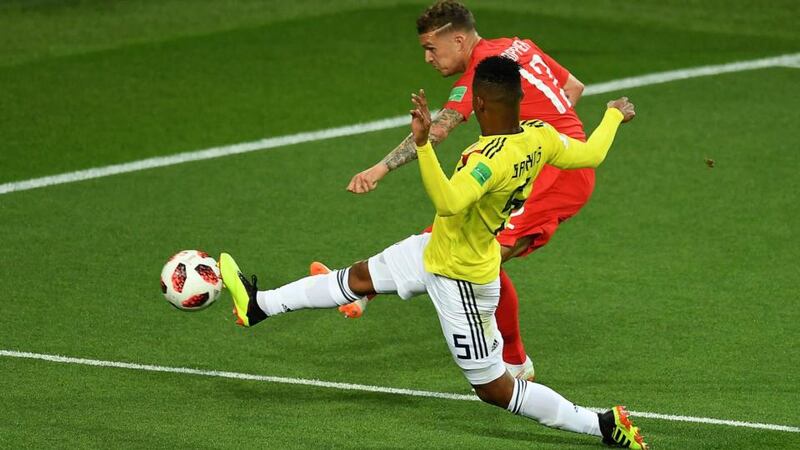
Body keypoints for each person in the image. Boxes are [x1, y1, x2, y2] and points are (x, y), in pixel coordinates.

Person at [220, 56, 645, 448]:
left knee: (495, 390)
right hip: (436, 249)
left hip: (461, 278)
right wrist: (611, 115)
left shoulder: (488, 159)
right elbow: (590, 153)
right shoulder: (541, 136)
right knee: (359, 278)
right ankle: (259, 305)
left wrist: (423, 144)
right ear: (519, 99)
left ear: (479, 103)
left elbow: (449, 201)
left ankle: (604, 424)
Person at [335, 0, 597, 380]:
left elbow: (438, 129)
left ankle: (515, 362)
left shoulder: (481, 70)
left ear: (458, 40)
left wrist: (379, 168)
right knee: (460, 234)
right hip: (554, 163)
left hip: (557, 174)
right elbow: (573, 87)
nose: (428, 58)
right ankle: (367, 286)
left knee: (479, 252)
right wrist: (533, 143)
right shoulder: (518, 46)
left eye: (430, 48)